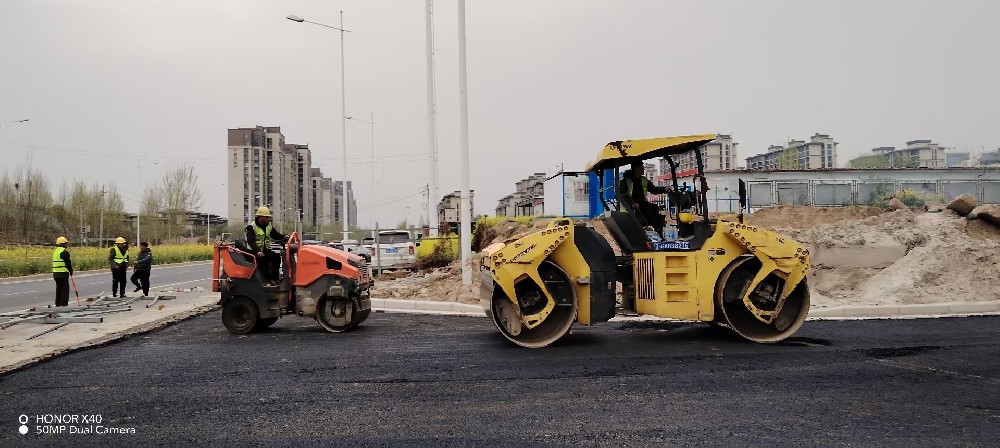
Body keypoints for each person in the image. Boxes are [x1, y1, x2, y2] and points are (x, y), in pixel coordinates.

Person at [619, 161, 668, 231]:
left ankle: (659, 230)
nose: (643, 169)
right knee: (646, 216)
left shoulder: (644, 180)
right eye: (642, 168)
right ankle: (652, 230)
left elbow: (654, 190)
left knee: (655, 208)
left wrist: (665, 189)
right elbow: (622, 195)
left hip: (642, 204)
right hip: (630, 208)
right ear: (636, 169)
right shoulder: (625, 182)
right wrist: (632, 204)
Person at [245, 206, 287, 285]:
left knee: (277, 257)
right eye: (266, 217)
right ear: (260, 217)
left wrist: (284, 236)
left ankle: (274, 279)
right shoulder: (251, 227)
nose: (268, 219)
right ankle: (266, 280)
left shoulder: (269, 226)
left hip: (264, 250)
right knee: (263, 259)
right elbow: (251, 241)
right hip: (253, 251)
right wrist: (258, 251)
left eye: (268, 217)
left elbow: (275, 235)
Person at [52, 236, 74, 307]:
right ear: (64, 244)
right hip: (63, 273)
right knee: (65, 289)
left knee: (59, 288)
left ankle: (58, 304)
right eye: (66, 243)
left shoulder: (56, 251)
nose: (67, 245)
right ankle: (63, 304)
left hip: (55, 273)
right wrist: (71, 271)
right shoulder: (64, 252)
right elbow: (68, 263)